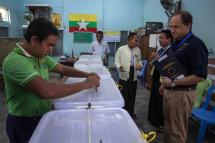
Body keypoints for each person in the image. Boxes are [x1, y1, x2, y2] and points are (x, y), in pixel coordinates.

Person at [2, 18, 100, 143]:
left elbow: (63, 69)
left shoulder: (40, 55)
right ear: (34, 40)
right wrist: (86, 84)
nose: (51, 50)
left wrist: (87, 74)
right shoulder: (15, 61)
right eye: (49, 45)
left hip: (43, 116)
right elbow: (47, 91)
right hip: (24, 123)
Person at [159, 11, 208, 143]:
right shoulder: (175, 43)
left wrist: (173, 83)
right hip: (170, 91)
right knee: (168, 127)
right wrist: (164, 84)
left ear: (188, 25)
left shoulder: (196, 45)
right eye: (171, 26)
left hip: (182, 94)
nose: (172, 30)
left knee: (177, 132)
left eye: (177, 26)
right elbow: (172, 67)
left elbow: (200, 76)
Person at [148, 30, 173, 132]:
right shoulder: (161, 50)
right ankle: (153, 119)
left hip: (163, 80)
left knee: (160, 102)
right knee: (154, 99)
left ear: (169, 39)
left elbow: (168, 68)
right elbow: (153, 63)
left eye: (162, 38)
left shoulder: (171, 51)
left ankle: (160, 123)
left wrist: (163, 84)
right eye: (159, 38)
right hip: (155, 77)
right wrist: (153, 59)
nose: (160, 40)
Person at [115, 32, 142, 118]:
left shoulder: (137, 50)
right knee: (124, 94)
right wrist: (120, 67)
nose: (137, 42)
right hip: (123, 75)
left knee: (132, 95)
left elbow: (140, 61)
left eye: (137, 41)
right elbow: (116, 61)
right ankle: (123, 112)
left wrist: (140, 65)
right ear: (129, 40)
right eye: (135, 40)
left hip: (133, 74)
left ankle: (131, 112)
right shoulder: (121, 49)